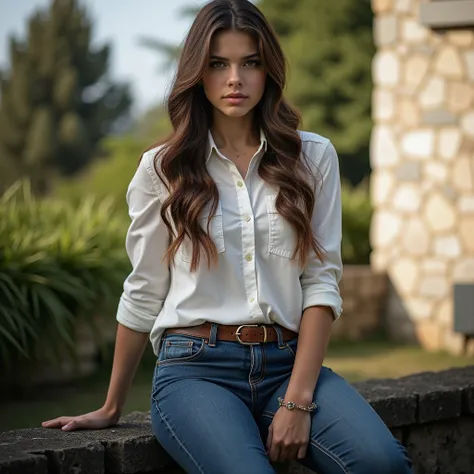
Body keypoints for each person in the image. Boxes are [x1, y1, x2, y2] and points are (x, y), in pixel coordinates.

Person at [43, 1, 413, 473]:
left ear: (269, 71)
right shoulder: (163, 169)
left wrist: (298, 401)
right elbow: (144, 289)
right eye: (218, 64)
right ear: (198, 73)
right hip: (195, 371)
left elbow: (320, 283)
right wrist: (111, 406)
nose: (234, 78)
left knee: (383, 464)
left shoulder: (313, 157)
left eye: (250, 62)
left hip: (286, 364)